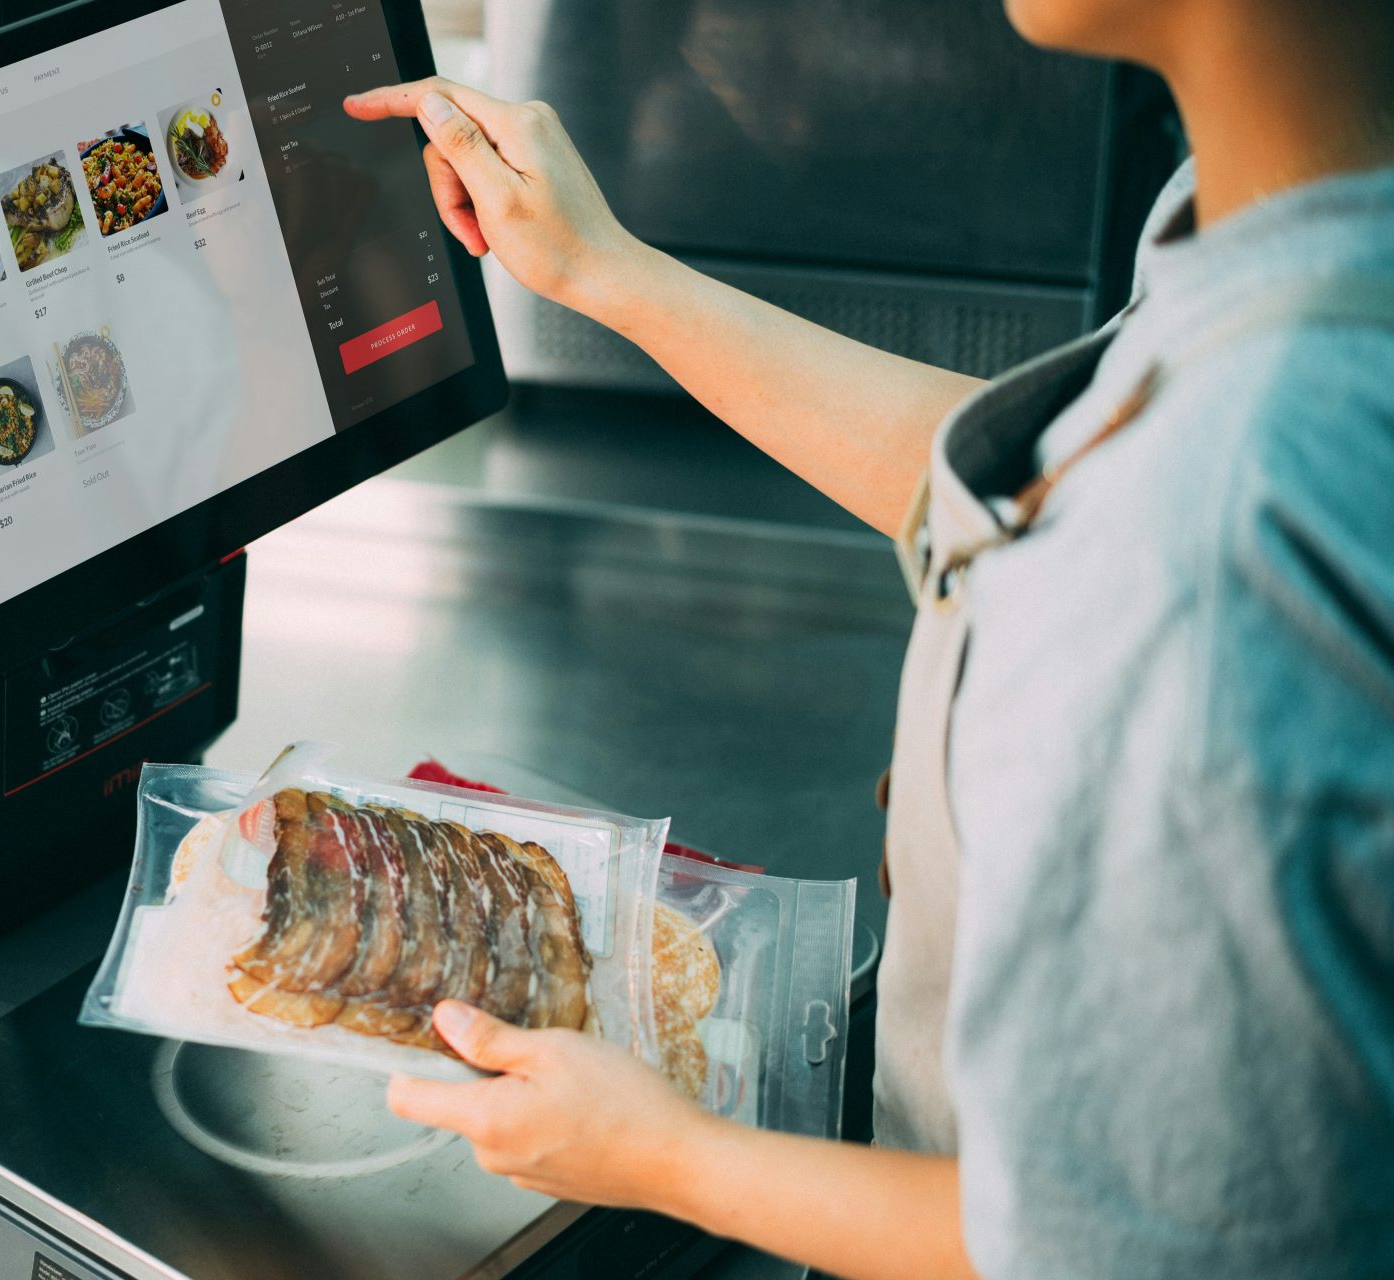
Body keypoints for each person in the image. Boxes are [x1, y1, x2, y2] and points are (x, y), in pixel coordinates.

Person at [342, 0, 1394, 1274]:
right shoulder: (1297, 231)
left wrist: (663, 1156)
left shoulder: (1219, 516)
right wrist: (605, 270)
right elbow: (1053, 482)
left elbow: (1134, 1251)